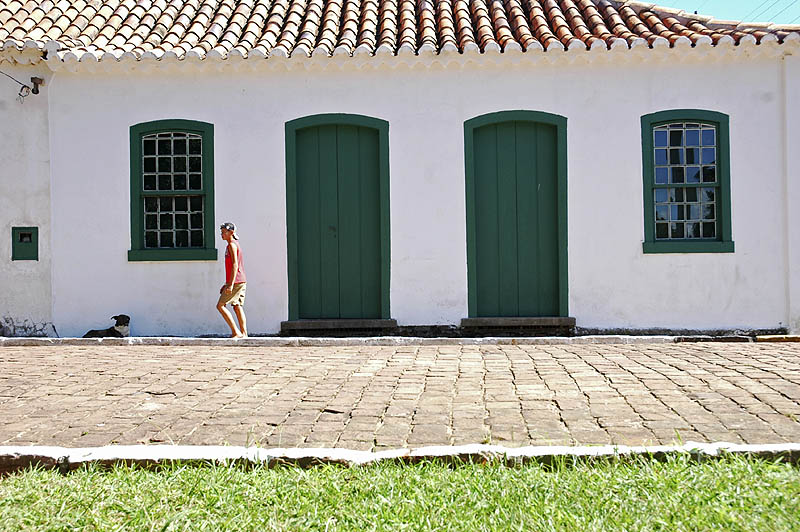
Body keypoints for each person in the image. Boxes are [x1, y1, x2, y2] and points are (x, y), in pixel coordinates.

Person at [217, 222, 248, 338]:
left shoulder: (232, 245)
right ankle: (244, 333)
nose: (222, 234)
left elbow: (235, 265)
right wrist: (227, 283)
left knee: (220, 306)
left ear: (231, 232)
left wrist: (230, 285)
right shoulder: (234, 245)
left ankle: (236, 332)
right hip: (240, 280)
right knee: (237, 306)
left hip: (236, 281)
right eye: (221, 232)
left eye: (224, 232)